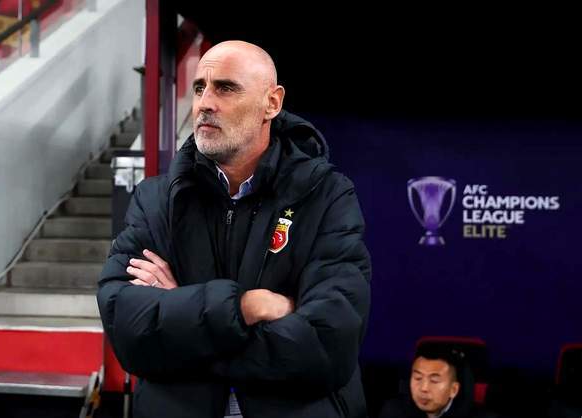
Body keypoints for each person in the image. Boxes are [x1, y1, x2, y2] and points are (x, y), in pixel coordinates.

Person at [97, 40, 371, 418]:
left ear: (271, 103)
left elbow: (327, 345)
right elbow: (127, 329)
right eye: (199, 88)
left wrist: (184, 318)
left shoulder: (326, 195)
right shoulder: (155, 200)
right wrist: (245, 307)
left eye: (225, 88)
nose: (204, 103)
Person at [379, 345, 496, 418]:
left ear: (454, 390)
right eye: (418, 378)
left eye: (434, 381)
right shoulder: (393, 412)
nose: (423, 388)